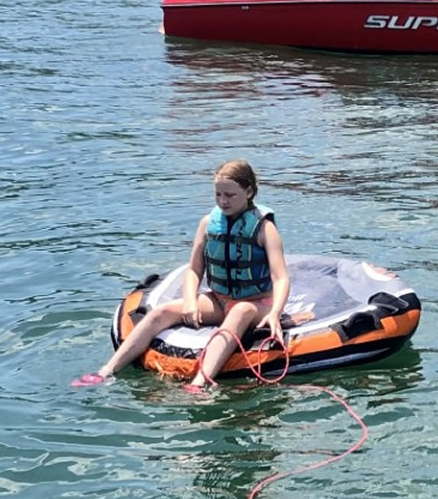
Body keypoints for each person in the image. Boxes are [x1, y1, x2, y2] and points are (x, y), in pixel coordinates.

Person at [74, 160, 290, 392]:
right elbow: (195, 270)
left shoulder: (264, 228)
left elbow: (281, 278)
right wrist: (189, 302)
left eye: (230, 195)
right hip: (219, 299)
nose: (223, 201)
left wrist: (275, 313)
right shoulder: (208, 224)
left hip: (258, 304)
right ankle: (107, 370)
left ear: (249, 192)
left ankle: (200, 382)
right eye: (218, 194)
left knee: (240, 310)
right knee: (162, 312)